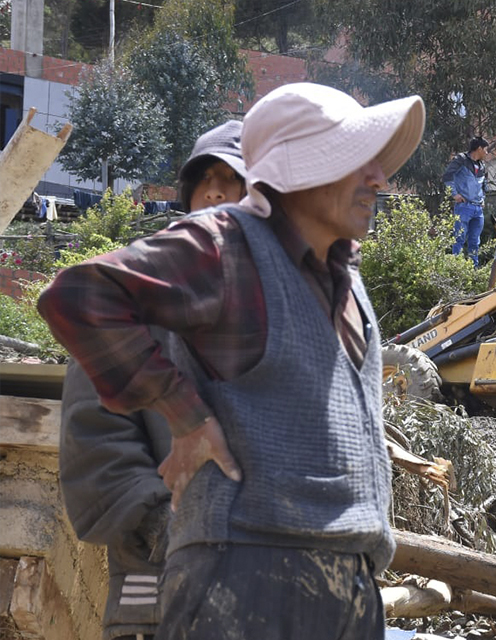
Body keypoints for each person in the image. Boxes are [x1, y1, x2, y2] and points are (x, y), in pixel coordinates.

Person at [38, 82, 430, 639]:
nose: (379, 179)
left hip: (350, 582)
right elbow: (78, 297)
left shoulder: (345, 280)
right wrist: (184, 416)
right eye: (356, 161)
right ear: (299, 169)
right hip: (249, 574)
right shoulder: (226, 247)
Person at [58, 120, 247, 640]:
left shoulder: (284, 302)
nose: (215, 191)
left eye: (232, 179)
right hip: (156, 591)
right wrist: (162, 522)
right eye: (203, 178)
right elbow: (92, 433)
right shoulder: (133, 292)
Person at [443, 136, 489, 266]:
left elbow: (484, 184)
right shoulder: (461, 160)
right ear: (479, 148)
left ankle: (473, 270)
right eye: (485, 149)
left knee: (475, 241)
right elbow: (447, 176)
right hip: (464, 206)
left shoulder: (481, 165)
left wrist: (483, 198)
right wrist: (454, 194)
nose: (487, 153)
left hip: (478, 208)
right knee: (459, 238)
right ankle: (455, 268)